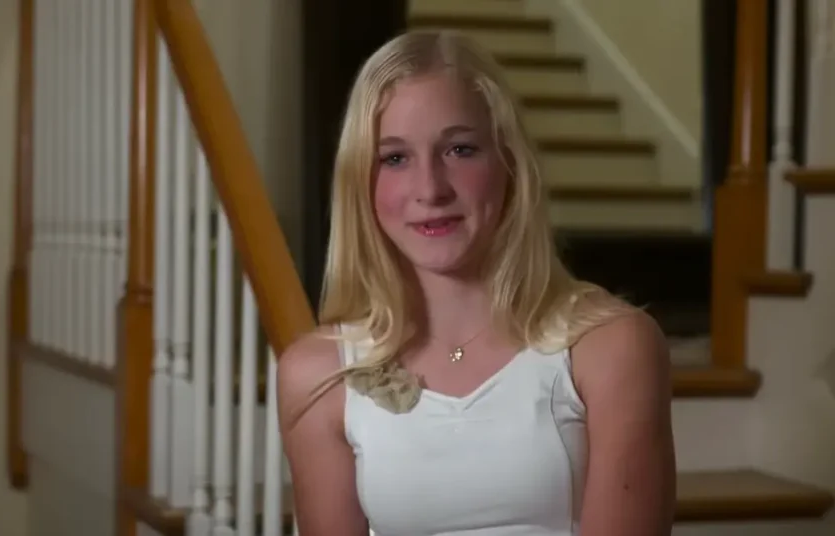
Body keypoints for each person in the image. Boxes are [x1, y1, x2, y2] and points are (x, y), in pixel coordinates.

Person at [277, 30, 676, 536]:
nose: (430, 189)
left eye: (460, 149)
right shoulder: (317, 376)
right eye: (394, 158)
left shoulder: (612, 348)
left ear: (509, 163)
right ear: (361, 181)